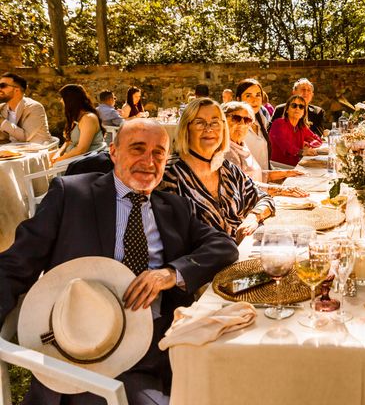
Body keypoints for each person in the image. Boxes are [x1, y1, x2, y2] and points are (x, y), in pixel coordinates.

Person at [0, 119, 239, 404]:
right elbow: (16, 264)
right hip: (79, 346)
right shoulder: (73, 195)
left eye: (158, 153)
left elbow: (224, 245)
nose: (149, 161)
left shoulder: (174, 207)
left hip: (153, 347)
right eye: (137, 149)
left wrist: (170, 273)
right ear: (113, 152)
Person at [162, 98, 275, 243]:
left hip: (241, 256)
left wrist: (253, 217)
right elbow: (175, 240)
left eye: (215, 122)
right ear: (186, 128)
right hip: (204, 262)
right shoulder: (170, 175)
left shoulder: (226, 168)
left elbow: (264, 199)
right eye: (200, 122)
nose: (209, 129)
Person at [222, 101, 307, 197]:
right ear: (223, 121)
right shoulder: (226, 151)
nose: (242, 124)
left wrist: (286, 173)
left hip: (257, 196)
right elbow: (241, 185)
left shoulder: (241, 145)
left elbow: (253, 175)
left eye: (247, 120)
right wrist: (280, 189)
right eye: (236, 118)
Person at [52, 84, 106, 164]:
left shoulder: (88, 119)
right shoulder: (76, 117)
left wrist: (58, 161)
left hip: (84, 163)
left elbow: (82, 150)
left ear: (71, 100)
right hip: (72, 161)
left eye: (63, 98)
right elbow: (68, 141)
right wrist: (58, 154)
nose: (61, 101)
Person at [269, 94, 322, 167]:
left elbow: (318, 140)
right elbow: (285, 145)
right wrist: (301, 152)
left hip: (295, 165)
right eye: (294, 105)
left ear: (304, 112)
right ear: (287, 109)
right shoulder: (278, 123)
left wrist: (308, 145)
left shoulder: (301, 127)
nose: (297, 108)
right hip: (279, 166)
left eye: (301, 107)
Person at [0, 72, 53, 144]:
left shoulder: (34, 107)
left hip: (38, 150)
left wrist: (1, 120)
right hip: (13, 150)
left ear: (16, 90)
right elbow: (4, 136)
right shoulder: (2, 108)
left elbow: (25, 137)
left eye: (3, 86)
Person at [235, 79, 271, 171]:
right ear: (238, 99)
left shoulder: (262, 120)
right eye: (248, 95)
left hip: (264, 180)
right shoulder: (233, 126)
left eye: (258, 95)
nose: (254, 100)